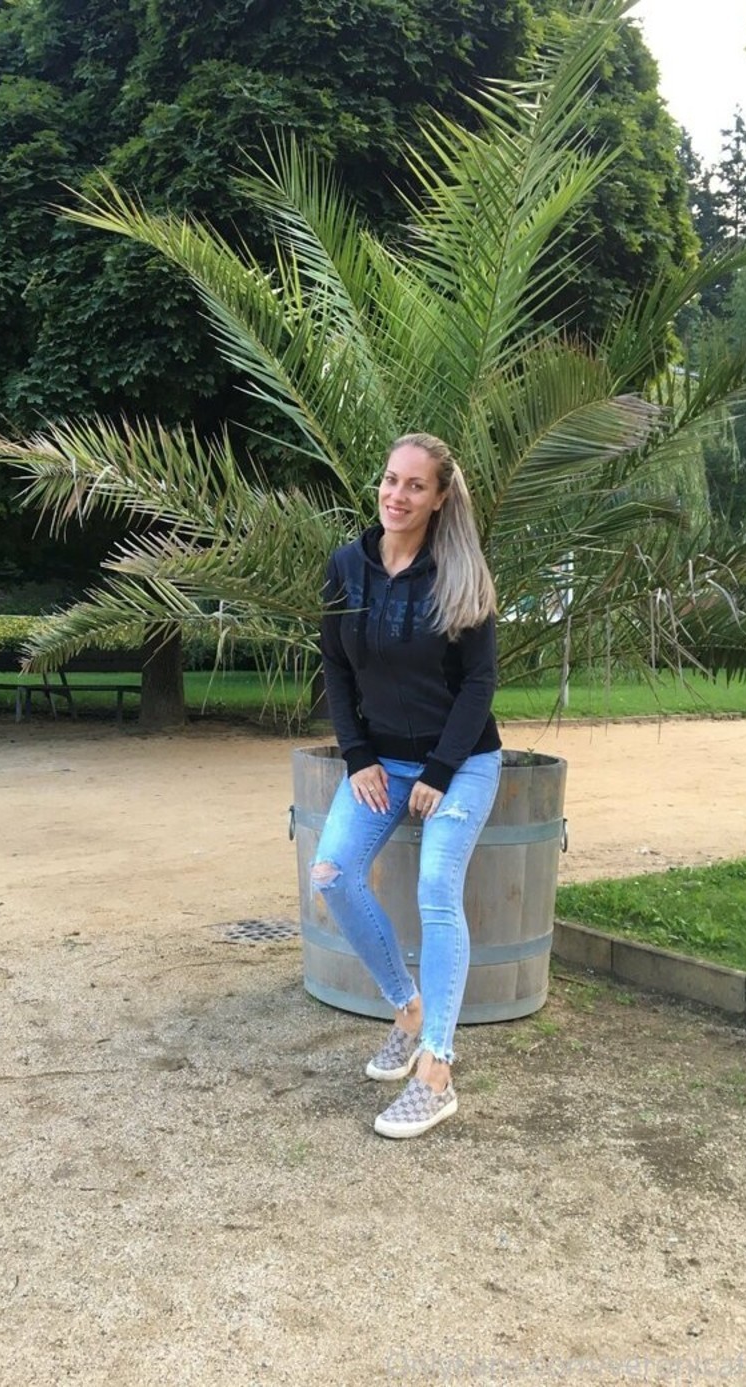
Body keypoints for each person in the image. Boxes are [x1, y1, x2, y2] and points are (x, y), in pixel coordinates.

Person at [311, 432, 502, 1139]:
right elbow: (335, 668)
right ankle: (408, 1007)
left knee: (435, 888)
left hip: (463, 762)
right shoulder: (345, 568)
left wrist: (441, 772)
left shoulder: (461, 574)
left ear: (440, 497)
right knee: (332, 871)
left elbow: (480, 682)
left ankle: (437, 1069)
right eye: (391, 479)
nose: (397, 495)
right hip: (380, 764)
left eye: (415, 485)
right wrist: (357, 755)